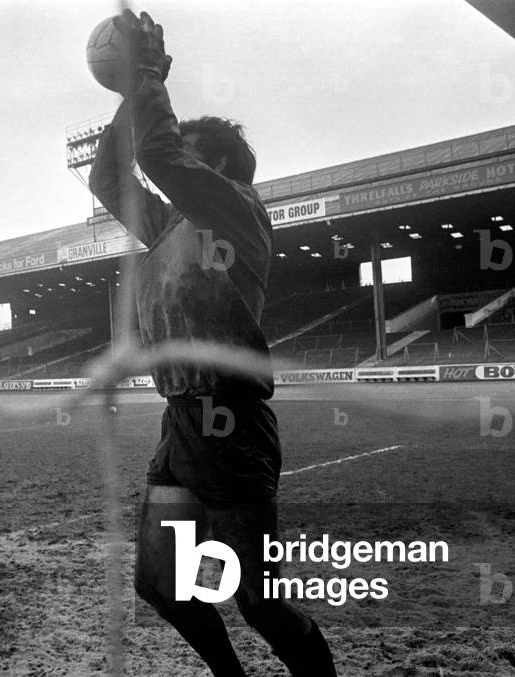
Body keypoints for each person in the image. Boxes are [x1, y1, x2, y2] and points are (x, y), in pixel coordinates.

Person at [88, 10, 338, 677]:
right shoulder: (173, 225)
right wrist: (129, 99)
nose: (171, 155)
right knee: (161, 583)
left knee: (261, 602)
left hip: (232, 425)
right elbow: (108, 180)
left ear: (219, 164)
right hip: (182, 429)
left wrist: (145, 77)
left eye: (184, 146)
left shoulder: (238, 208)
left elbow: (155, 154)